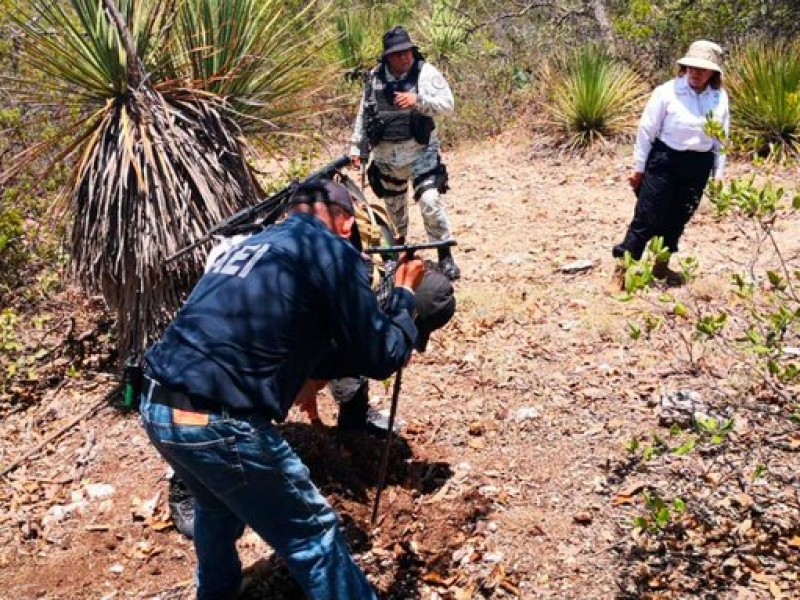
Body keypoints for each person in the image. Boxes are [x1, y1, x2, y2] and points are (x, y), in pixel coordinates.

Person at [140, 179, 425, 600]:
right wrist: (403, 293)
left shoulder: (249, 246)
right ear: (345, 224)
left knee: (215, 509)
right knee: (315, 537)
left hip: (156, 405)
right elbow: (382, 356)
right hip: (219, 423)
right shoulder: (330, 252)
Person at [611, 40, 730, 287]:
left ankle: (661, 267)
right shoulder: (666, 92)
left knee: (678, 217)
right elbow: (646, 130)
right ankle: (622, 271)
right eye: (691, 68)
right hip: (664, 161)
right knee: (646, 216)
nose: (695, 73)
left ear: (712, 73)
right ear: (684, 68)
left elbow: (721, 137)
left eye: (702, 69)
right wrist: (639, 168)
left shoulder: (719, 98)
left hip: (698, 165)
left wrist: (718, 173)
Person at [350, 25, 461, 281]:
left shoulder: (425, 73)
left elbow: (448, 105)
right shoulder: (375, 77)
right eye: (398, 54)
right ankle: (399, 255)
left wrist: (418, 101)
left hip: (421, 153)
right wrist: (357, 149)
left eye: (407, 52)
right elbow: (364, 114)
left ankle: (444, 254)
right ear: (388, 56)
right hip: (386, 158)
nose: (404, 57)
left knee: (431, 202)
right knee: (394, 212)